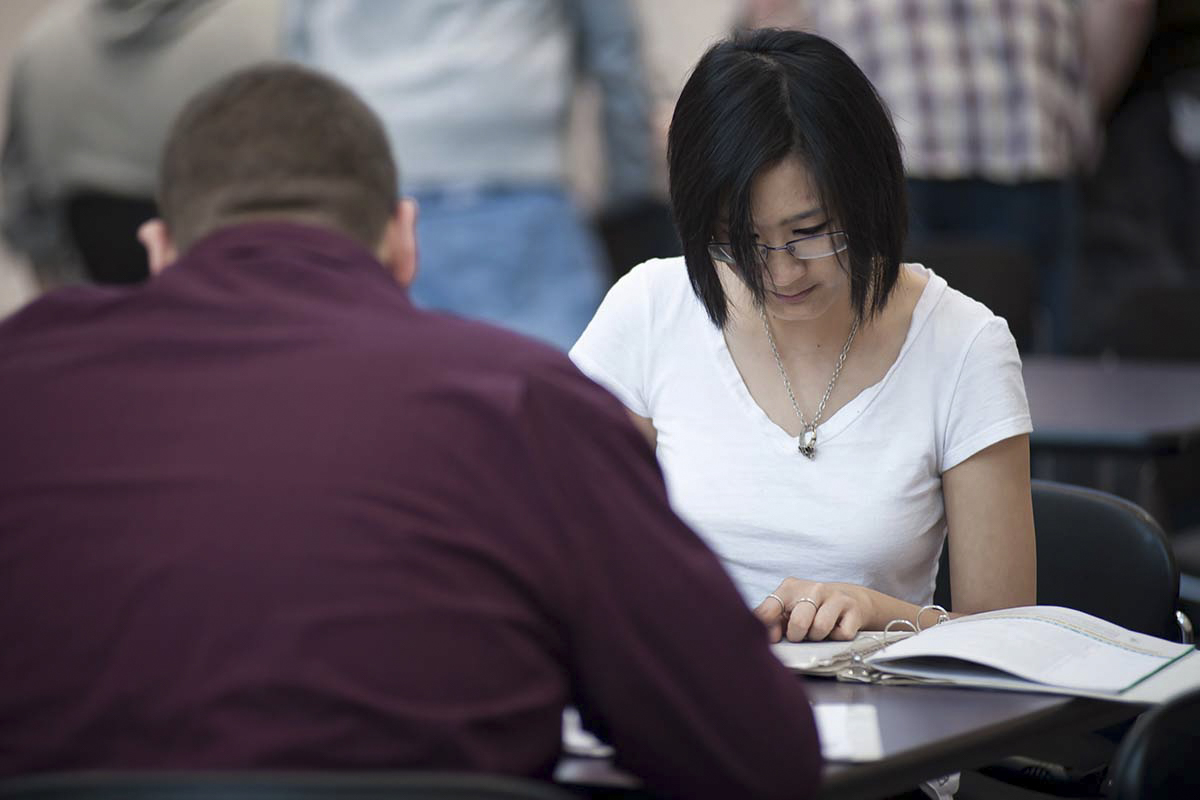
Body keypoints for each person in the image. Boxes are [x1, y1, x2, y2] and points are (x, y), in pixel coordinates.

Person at [0, 64, 820, 799]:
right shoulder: (522, 401)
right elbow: (759, 756)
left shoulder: (21, 381)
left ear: (158, 250)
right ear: (402, 239)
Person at [570, 29, 1037, 644]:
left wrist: (877, 612)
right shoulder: (651, 308)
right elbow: (560, 544)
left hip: (891, 722)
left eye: (810, 230)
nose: (782, 271)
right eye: (740, 241)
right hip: (682, 704)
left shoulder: (964, 346)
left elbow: (1011, 641)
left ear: (866, 194)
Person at [740, 0, 1156, 353]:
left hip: (877, 123)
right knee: (1039, 392)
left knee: (884, 377)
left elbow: (775, 13)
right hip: (1030, 127)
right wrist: (1071, 112)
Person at [286, 0, 655, 351]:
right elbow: (616, 58)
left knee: (387, 401)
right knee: (566, 399)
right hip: (524, 212)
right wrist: (629, 206)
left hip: (374, 205)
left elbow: (300, 64)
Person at [0, 0, 284, 287]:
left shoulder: (41, 49)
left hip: (98, 312)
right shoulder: (280, 38)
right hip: (242, 308)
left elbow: (23, 220)